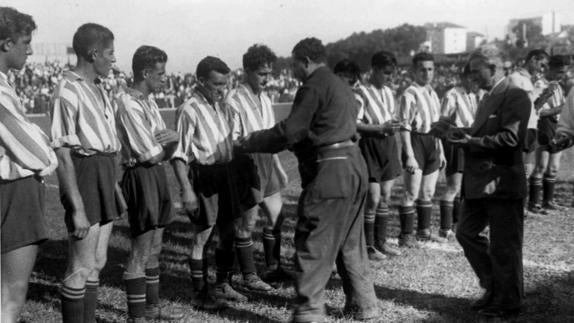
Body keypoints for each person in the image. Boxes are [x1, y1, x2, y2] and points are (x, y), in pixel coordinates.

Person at [235, 37, 379, 323]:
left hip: (331, 170)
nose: (293, 71)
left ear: (305, 61)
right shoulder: (341, 85)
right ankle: (363, 305)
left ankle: (309, 313)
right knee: (350, 241)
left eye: (295, 65)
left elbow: (291, 131)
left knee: (313, 241)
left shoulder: (312, 86)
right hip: (354, 165)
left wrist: (250, 140)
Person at [51, 23, 125, 323]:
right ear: (94, 53)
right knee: (80, 266)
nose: (114, 60)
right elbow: (63, 154)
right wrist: (77, 207)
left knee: (97, 261)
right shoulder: (67, 89)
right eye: (110, 53)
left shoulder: (98, 87)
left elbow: (108, 144)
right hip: (84, 174)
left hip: (105, 173)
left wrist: (115, 185)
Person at [453, 47, 530, 318]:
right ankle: (493, 284)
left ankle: (508, 302)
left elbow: (511, 139)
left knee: (504, 246)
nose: (472, 76)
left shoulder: (515, 94)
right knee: (465, 232)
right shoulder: (488, 97)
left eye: (476, 70)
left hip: (502, 182)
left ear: (494, 68)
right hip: (480, 181)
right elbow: (483, 133)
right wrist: (456, 133)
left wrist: (471, 141)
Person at [171, 56, 249, 309]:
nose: (222, 89)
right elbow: (179, 154)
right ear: (201, 80)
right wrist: (187, 190)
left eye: (225, 84)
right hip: (205, 175)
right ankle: (200, 294)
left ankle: (223, 283)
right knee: (203, 236)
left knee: (228, 232)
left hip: (226, 173)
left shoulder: (221, 105)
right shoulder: (189, 109)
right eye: (217, 84)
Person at [116, 45, 183, 322]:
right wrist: (171, 142)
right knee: (140, 251)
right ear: (145, 72)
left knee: (155, 246)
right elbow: (149, 151)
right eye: (161, 73)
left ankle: (152, 309)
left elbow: (161, 147)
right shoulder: (127, 102)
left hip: (155, 172)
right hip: (141, 173)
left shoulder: (148, 101)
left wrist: (169, 142)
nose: (165, 78)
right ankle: (137, 317)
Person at [0, 7, 58, 323]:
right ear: (6, 43)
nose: (31, 49)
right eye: (25, 41)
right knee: (10, 296)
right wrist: (45, 149)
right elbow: (37, 152)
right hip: (13, 193)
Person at [225, 44, 291, 288]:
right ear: (246, 71)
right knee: (247, 223)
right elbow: (233, 140)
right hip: (246, 161)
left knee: (278, 215)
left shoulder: (265, 97)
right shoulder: (233, 99)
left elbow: (271, 136)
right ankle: (249, 275)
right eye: (262, 74)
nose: (267, 79)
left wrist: (278, 166)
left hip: (266, 160)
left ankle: (273, 268)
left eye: (269, 73)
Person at [353, 51, 403, 260]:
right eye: (387, 73)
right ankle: (368, 245)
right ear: (374, 70)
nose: (390, 77)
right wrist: (379, 127)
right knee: (372, 198)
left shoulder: (389, 92)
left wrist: (392, 125)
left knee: (385, 196)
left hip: (388, 144)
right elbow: (354, 123)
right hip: (370, 144)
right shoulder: (361, 91)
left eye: (393, 73)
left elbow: (389, 118)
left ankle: (381, 242)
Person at [397, 52, 447, 247]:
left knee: (428, 191)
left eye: (430, 69)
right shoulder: (409, 93)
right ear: (414, 71)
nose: (427, 73)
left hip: (433, 142)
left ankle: (424, 231)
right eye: (422, 69)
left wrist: (441, 150)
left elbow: (436, 126)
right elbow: (404, 126)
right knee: (411, 192)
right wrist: (409, 155)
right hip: (416, 142)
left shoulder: (433, 93)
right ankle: (406, 235)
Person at [438, 65, 479, 237]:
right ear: (464, 77)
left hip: (469, 140)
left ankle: (456, 224)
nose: (475, 82)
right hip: (456, 140)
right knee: (453, 185)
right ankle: (444, 228)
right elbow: (442, 121)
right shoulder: (451, 94)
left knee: (462, 186)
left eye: (476, 79)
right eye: (472, 78)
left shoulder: (472, 95)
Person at [508, 49, 549, 214]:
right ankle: (513, 207)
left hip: (532, 126)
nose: (543, 69)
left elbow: (532, 108)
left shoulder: (529, 80)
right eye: (541, 64)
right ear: (532, 60)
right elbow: (517, 107)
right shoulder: (516, 78)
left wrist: (543, 98)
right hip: (520, 128)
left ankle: (521, 207)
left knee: (527, 170)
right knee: (518, 170)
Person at [529, 55, 569, 212]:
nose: (562, 75)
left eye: (564, 72)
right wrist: (560, 109)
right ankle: (534, 203)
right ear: (550, 69)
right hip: (544, 126)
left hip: (557, 126)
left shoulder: (558, 85)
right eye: (559, 71)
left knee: (553, 167)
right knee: (541, 165)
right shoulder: (540, 84)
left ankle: (548, 200)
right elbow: (537, 110)